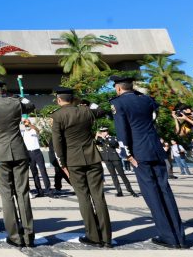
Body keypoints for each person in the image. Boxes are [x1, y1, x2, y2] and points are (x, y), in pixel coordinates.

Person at [110, 75, 185, 248]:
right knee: (165, 191)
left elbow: (122, 130)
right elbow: (153, 116)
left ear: (118, 88)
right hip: (155, 148)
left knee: (152, 194)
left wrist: (126, 153)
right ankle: (179, 237)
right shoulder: (146, 100)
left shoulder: (118, 103)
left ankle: (168, 237)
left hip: (139, 152)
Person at [52, 87, 112, 248]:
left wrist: (62, 163)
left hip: (73, 160)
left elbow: (57, 143)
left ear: (59, 100)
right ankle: (106, 238)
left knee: (83, 197)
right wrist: (88, 103)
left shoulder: (58, 115)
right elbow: (100, 110)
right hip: (92, 157)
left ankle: (93, 236)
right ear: (73, 99)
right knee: (98, 197)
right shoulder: (86, 111)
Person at [0, 78, 34, 248]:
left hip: (0, 153)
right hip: (18, 150)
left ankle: (14, 236)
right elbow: (30, 105)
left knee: (7, 195)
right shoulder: (15, 102)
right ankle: (28, 236)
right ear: (2, 90)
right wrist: (16, 96)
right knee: (22, 193)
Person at [95, 127, 137, 197]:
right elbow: (97, 143)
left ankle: (131, 190)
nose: (103, 132)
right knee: (113, 176)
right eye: (102, 131)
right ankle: (119, 191)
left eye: (105, 131)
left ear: (107, 131)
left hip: (115, 159)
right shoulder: (100, 139)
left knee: (122, 175)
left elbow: (113, 144)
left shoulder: (112, 138)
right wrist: (96, 136)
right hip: (107, 159)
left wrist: (104, 138)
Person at [21, 118, 51, 197]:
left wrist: (29, 124)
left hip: (37, 152)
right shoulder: (23, 133)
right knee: (34, 173)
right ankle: (39, 191)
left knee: (43, 171)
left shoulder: (34, 130)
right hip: (29, 154)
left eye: (27, 123)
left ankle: (48, 189)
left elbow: (37, 130)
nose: (26, 125)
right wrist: (24, 122)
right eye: (25, 124)